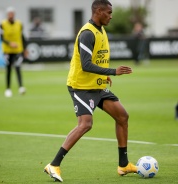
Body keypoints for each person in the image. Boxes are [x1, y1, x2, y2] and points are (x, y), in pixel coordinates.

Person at [43, 0, 136, 182]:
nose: (111, 16)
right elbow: (85, 65)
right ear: (98, 11)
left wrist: (104, 76)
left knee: (122, 117)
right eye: (108, 12)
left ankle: (123, 165)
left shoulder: (101, 30)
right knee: (85, 124)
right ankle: (53, 164)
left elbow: (97, 60)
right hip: (81, 86)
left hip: (97, 85)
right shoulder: (87, 33)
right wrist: (112, 72)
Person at [0, 7, 27, 97]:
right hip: (7, 51)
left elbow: (22, 36)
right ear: (7, 14)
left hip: (17, 50)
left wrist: (25, 49)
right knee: (8, 69)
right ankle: (8, 89)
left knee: (18, 67)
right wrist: (10, 43)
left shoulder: (19, 24)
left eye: (12, 13)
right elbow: (1, 38)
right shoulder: (2, 24)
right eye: (9, 13)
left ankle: (21, 87)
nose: (11, 15)